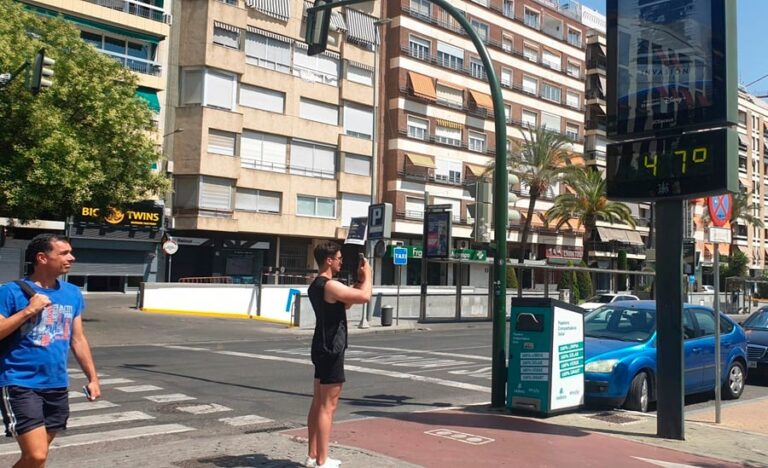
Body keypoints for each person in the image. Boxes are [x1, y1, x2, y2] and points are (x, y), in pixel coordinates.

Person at [0, 234, 101, 468]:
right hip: (19, 381)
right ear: (42, 258)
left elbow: (78, 339)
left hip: (56, 383)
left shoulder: (72, 293)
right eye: (64, 253)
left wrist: (93, 378)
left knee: (38, 456)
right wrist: (29, 310)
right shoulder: (10, 292)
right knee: (36, 455)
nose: (71, 258)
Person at [305, 242, 371, 468]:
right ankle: (323, 461)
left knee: (317, 403)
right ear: (329, 260)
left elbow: (347, 303)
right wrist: (369, 276)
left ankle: (313, 455)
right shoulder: (330, 285)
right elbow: (364, 297)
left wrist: (359, 280)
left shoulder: (317, 285)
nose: (342, 261)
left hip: (320, 345)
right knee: (328, 406)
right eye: (339, 258)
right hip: (332, 347)